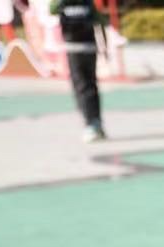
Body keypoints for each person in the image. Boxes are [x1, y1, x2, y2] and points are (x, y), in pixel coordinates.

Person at [53, 0, 107, 143]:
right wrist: (104, 46)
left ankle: (91, 124)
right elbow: (99, 21)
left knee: (82, 86)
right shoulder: (87, 2)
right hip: (89, 47)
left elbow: (51, 9)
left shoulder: (62, 2)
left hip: (75, 49)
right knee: (91, 85)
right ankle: (96, 122)